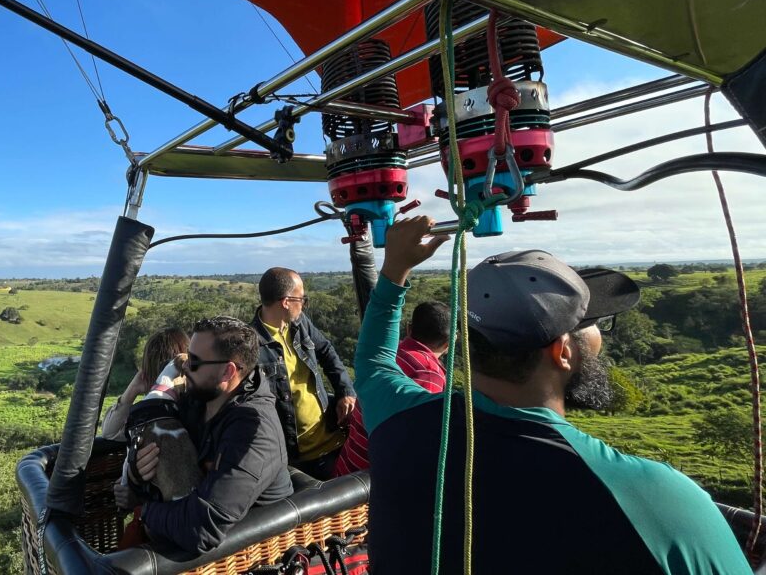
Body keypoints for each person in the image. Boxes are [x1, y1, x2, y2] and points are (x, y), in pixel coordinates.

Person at [355, 216, 750, 574]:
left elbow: (374, 360)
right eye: (590, 322)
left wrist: (395, 268)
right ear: (562, 352)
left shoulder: (398, 421)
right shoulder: (659, 500)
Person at [114, 316, 292, 554]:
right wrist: (137, 475)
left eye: (194, 362)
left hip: (251, 554)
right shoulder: (199, 400)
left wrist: (144, 507)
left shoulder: (254, 432)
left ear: (228, 372)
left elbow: (200, 528)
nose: (184, 367)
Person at [252, 267, 356, 479]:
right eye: (302, 299)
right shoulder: (251, 345)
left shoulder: (300, 324)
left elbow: (326, 351)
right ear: (286, 301)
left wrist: (345, 390)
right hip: (298, 459)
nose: (304, 304)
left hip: (335, 439)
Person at [334, 300, 449, 475]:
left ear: (409, 329)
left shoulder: (388, 354)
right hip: (367, 484)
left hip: (347, 466)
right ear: (448, 344)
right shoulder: (429, 374)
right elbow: (417, 437)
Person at [101, 328, 190, 441]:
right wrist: (132, 390)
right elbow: (109, 433)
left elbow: (109, 433)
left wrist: (130, 392)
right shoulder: (150, 410)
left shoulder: (147, 415)